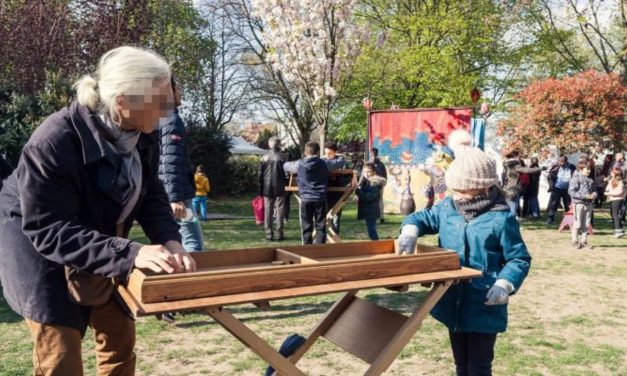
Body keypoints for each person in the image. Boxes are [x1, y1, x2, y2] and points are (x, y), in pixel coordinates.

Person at [0, 46, 196, 375]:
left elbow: (151, 194)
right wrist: (132, 253)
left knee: (119, 336)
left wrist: (170, 239)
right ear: (123, 102)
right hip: (39, 252)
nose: (167, 112)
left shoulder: (142, 134)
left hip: (102, 243)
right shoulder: (52, 142)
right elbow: (49, 230)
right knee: (60, 354)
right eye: (159, 103)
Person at [397, 130, 531, 376]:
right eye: (453, 189)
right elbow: (422, 217)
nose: (455, 194)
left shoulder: (501, 219)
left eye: (461, 190)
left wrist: (504, 284)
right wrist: (411, 229)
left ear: (481, 188)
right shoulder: (449, 207)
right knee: (461, 364)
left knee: (478, 367)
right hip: (452, 300)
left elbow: (518, 258)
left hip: (484, 304)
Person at [158, 77, 203, 252]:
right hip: (179, 198)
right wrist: (176, 198)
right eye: (178, 88)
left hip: (169, 194)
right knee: (194, 244)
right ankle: (191, 280)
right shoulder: (171, 120)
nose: (180, 92)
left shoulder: (159, 118)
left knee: (173, 244)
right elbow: (170, 160)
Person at [284, 141, 329, 244]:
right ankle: (321, 248)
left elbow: (285, 166)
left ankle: (307, 249)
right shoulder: (323, 163)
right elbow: (337, 163)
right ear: (318, 152)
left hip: (306, 198)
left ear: (305, 152)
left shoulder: (299, 164)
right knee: (321, 226)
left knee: (306, 226)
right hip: (320, 198)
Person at [258, 137, 288, 241]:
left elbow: (260, 176)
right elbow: (288, 174)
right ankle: (279, 234)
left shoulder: (263, 157)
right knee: (280, 210)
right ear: (279, 145)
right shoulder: (284, 157)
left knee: (268, 211)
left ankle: (269, 234)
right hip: (280, 186)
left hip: (267, 187)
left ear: (269, 144)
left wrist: (260, 190)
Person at [501, 150, 545, 219]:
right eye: (519, 156)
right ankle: (510, 221)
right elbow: (527, 170)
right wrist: (540, 168)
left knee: (509, 207)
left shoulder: (506, 165)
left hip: (506, 188)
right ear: (515, 156)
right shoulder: (514, 165)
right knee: (513, 208)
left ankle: (509, 220)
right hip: (512, 189)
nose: (520, 158)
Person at [568, 161, 597, 249]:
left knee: (587, 224)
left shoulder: (590, 180)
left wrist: (594, 195)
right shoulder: (576, 178)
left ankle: (584, 241)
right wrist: (584, 196)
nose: (589, 171)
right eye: (587, 169)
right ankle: (574, 240)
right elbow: (571, 191)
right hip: (579, 203)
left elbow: (595, 190)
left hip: (589, 204)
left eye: (589, 169)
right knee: (578, 224)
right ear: (581, 169)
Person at [355, 162, 386, 240]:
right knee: (371, 231)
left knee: (372, 231)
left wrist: (358, 191)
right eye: (364, 171)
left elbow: (368, 197)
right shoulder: (366, 182)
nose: (366, 173)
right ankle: (375, 245)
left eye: (369, 172)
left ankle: (376, 246)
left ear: (374, 173)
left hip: (371, 211)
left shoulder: (375, 184)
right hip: (368, 210)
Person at [322, 140, 347, 235]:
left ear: (335, 152)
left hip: (338, 194)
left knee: (336, 219)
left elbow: (346, 178)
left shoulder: (341, 161)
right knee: (324, 218)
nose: (327, 156)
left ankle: (335, 237)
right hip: (326, 194)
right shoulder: (322, 161)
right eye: (325, 153)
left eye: (330, 153)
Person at [545, 155, 576, 225]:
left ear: (566, 161)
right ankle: (550, 219)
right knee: (553, 204)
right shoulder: (555, 167)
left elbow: (575, 176)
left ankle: (570, 220)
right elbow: (550, 176)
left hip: (567, 189)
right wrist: (551, 185)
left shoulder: (572, 167)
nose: (560, 163)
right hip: (557, 188)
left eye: (562, 162)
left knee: (568, 205)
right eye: (559, 161)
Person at [605, 168, 625, 239]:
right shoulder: (612, 180)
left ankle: (618, 231)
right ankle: (621, 229)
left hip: (618, 200)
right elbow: (607, 188)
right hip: (613, 199)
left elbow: (619, 192)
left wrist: (609, 193)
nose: (610, 173)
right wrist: (609, 182)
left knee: (615, 215)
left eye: (612, 172)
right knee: (616, 214)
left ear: (615, 174)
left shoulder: (620, 182)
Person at [369, 147, 387, 224]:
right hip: (372, 183)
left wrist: (383, 184)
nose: (373, 156)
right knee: (376, 200)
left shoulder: (380, 164)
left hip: (378, 184)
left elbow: (385, 175)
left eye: (373, 154)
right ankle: (377, 217)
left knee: (378, 200)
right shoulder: (370, 163)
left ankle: (380, 217)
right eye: (372, 154)